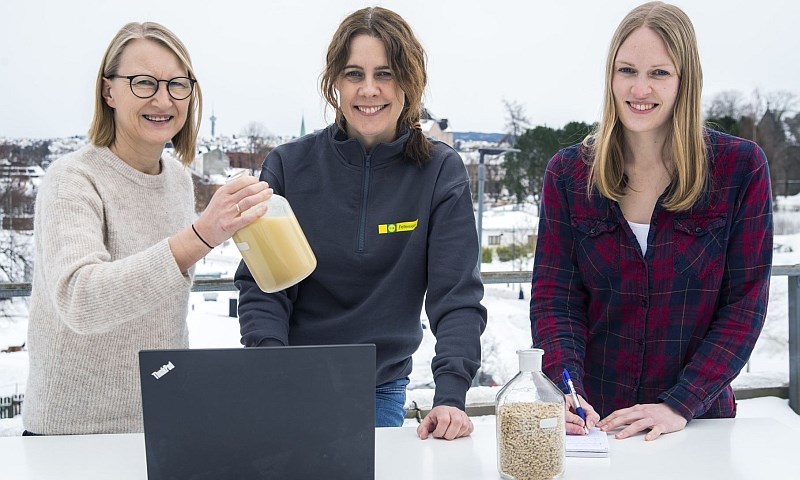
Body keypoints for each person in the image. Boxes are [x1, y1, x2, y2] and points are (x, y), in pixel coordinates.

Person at [235, 6, 487, 440]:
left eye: (385, 74)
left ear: (409, 81)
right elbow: (263, 287)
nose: (369, 90)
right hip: (288, 380)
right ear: (335, 82)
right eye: (354, 74)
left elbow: (457, 296)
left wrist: (450, 395)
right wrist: (270, 367)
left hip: (377, 389)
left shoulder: (440, 173)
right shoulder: (288, 167)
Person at [530, 1, 773, 441]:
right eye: (627, 70)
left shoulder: (740, 169)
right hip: (597, 426)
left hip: (696, 425)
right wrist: (564, 390)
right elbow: (555, 298)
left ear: (685, 81)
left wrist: (678, 405)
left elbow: (745, 305)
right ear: (610, 77)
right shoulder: (568, 174)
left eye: (658, 73)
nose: (639, 88)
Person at [23, 22, 271, 435]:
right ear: (109, 91)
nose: (163, 99)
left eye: (177, 84)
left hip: (160, 421)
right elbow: (80, 300)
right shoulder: (71, 180)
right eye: (143, 83)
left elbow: (164, 313)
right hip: (70, 434)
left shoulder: (177, 179)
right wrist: (199, 237)